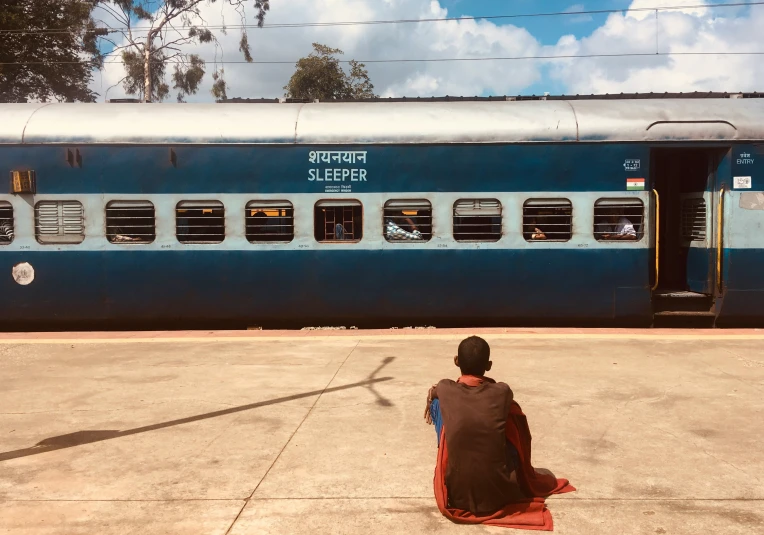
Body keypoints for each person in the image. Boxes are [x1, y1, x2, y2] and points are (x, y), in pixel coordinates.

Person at [424, 336, 574, 528]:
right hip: (498, 495)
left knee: (438, 404)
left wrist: (433, 394)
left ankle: (449, 451)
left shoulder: (445, 387)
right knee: (507, 414)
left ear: (456, 361)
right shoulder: (502, 392)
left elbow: (436, 391)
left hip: (458, 496)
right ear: (489, 365)